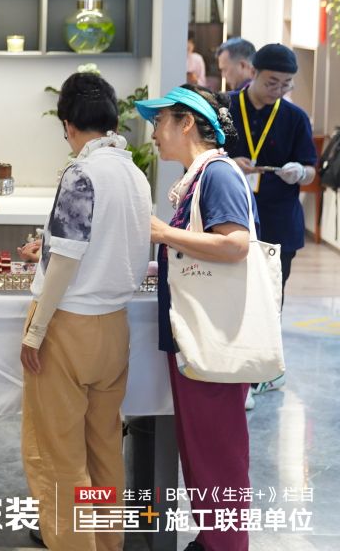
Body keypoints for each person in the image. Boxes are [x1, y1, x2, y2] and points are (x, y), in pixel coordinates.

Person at [15, 73, 152, 551]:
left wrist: (35, 332)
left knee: (58, 458)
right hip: (114, 327)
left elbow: (68, 259)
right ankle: (107, 542)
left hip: (67, 326)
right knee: (104, 449)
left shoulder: (82, 174)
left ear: (69, 125)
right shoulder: (135, 174)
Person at [138, 84, 254, 551]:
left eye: (159, 122)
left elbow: (235, 244)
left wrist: (163, 234)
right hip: (198, 335)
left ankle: (225, 545)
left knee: (217, 454)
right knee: (203, 451)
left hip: (213, 337)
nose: (153, 134)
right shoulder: (200, 177)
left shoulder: (217, 175)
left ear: (186, 122)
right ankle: (213, 540)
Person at [223, 43, 316, 398]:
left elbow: (310, 168)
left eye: (286, 84)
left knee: (271, 295)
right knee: (233, 292)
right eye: (272, 82)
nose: (278, 90)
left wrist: (300, 172)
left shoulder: (295, 118)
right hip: (232, 216)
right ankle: (232, 364)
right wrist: (228, 162)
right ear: (253, 72)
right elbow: (201, 154)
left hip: (279, 220)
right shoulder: (225, 108)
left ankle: (265, 369)